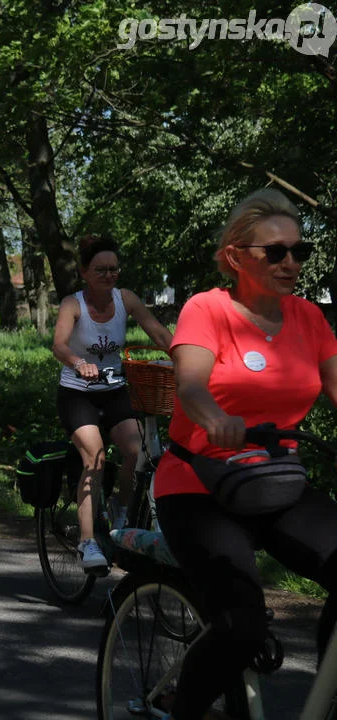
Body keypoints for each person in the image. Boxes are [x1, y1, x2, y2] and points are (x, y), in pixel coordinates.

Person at [153, 189, 337, 720]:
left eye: (298, 252)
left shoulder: (308, 319)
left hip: (276, 480)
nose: (290, 263)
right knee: (241, 626)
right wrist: (213, 418)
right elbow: (191, 385)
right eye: (274, 252)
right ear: (236, 255)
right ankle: (185, 711)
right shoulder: (207, 309)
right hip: (198, 485)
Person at [51, 235, 172, 571]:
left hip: (115, 389)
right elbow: (59, 345)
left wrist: (187, 356)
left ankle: (120, 508)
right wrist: (78, 362)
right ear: (85, 272)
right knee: (95, 457)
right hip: (78, 393)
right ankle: (88, 542)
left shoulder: (126, 299)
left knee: (138, 450)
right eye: (101, 269)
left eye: (114, 269)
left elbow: (158, 334)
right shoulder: (71, 304)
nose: (109, 275)